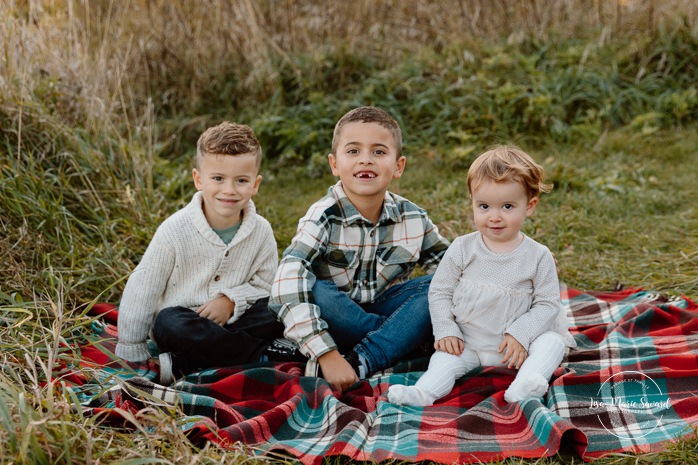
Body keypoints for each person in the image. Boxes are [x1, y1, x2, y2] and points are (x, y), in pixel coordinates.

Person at [269, 106, 451, 393]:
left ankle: (361, 359)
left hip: (386, 303)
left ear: (399, 165)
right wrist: (326, 355)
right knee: (315, 290)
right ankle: (404, 339)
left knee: (441, 283)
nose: (366, 159)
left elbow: (449, 267)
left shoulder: (413, 216)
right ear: (334, 164)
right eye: (353, 151)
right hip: (338, 315)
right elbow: (285, 283)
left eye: (379, 152)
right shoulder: (323, 216)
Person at [115, 121, 304, 385]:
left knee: (281, 306)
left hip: (237, 320)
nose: (229, 189)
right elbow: (144, 287)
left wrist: (230, 301)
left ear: (255, 184)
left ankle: (186, 363)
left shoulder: (261, 231)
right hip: (189, 323)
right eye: (218, 179)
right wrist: (131, 345)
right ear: (198, 179)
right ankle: (261, 356)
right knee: (167, 322)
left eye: (241, 180)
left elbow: (265, 286)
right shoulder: (175, 230)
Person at [388, 145, 576, 406]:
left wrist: (521, 333)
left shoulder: (538, 255)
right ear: (472, 203)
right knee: (443, 360)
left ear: (530, 206)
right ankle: (423, 393)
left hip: (515, 348)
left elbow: (548, 304)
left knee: (552, 343)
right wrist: (446, 329)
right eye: (484, 206)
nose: (495, 217)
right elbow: (441, 291)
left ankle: (522, 387)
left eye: (508, 206)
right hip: (468, 342)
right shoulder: (463, 248)